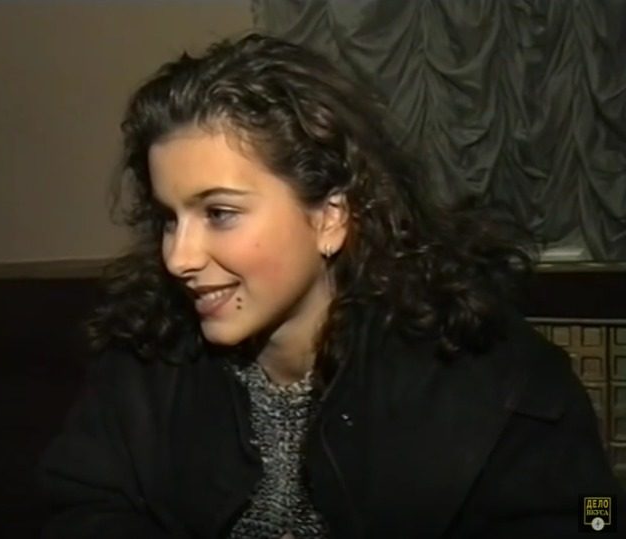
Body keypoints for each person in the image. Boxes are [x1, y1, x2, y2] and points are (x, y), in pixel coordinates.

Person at [37, 33, 625, 538]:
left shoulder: (494, 368)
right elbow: (74, 507)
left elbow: (595, 514)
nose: (179, 257)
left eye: (219, 213)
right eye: (170, 218)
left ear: (330, 218)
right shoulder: (144, 363)